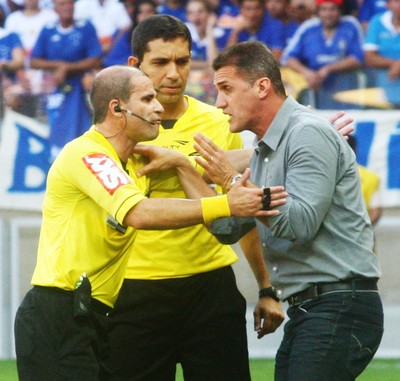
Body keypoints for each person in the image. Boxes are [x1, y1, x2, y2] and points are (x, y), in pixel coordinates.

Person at [13, 64, 274, 380]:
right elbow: (139, 213)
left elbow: (212, 162)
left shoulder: (128, 165)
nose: (159, 107)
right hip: (59, 315)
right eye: (147, 99)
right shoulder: (88, 154)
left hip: (94, 317)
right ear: (117, 108)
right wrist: (225, 204)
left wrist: (290, 136)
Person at [193, 40, 384, 381]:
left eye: (226, 89)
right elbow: (225, 229)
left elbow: (299, 223)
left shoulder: (307, 133)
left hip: (339, 303)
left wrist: (230, 178)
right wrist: (180, 167)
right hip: (313, 308)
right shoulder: (266, 149)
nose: (219, 102)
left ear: (262, 86)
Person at [102, 15, 259, 381]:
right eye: (160, 62)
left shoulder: (220, 122)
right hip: (135, 288)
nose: (173, 73)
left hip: (210, 285)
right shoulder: (109, 132)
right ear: (134, 65)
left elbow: (241, 207)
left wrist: (265, 286)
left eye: (183, 61)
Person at [30, 0, 102, 161]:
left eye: (70, 4)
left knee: (82, 124)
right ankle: (55, 156)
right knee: (55, 122)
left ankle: (84, 156)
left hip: (81, 84)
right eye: (62, 4)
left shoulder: (85, 27)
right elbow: (34, 60)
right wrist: (59, 66)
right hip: (54, 85)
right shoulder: (48, 30)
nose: (67, 7)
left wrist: (68, 68)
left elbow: (95, 59)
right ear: (54, 8)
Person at [281, 0, 364, 109]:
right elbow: (287, 58)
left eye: (332, 9)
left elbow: (358, 58)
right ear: (318, 11)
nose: (328, 14)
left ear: (340, 11)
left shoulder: (351, 25)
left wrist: (329, 68)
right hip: (314, 91)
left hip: (347, 90)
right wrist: (307, 73)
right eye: (324, 9)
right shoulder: (308, 27)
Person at [363, 0, 400, 108]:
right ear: (387, 4)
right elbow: (369, 57)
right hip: (384, 85)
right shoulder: (377, 21)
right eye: (396, 1)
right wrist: (396, 64)